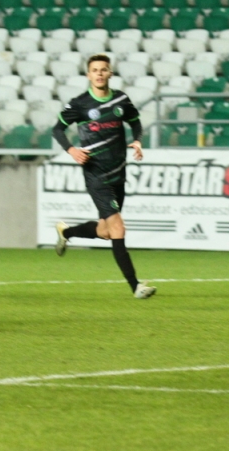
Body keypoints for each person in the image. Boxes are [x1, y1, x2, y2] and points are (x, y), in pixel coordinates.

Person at [52, 54, 155, 299]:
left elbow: (135, 122)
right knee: (118, 228)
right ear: (88, 75)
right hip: (96, 174)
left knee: (106, 231)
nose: (99, 73)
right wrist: (72, 150)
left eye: (103, 69)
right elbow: (57, 129)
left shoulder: (121, 100)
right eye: (95, 70)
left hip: (118, 173)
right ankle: (136, 286)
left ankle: (66, 232)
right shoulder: (80, 104)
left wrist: (138, 140)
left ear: (110, 73)